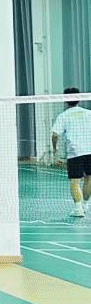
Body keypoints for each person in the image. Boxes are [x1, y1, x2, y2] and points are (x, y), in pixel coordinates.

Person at [50, 88, 91, 218]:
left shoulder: (63, 116)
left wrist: (55, 148)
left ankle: (78, 209)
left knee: (75, 181)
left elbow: (55, 134)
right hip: (90, 151)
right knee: (89, 178)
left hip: (75, 153)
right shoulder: (89, 113)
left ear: (65, 100)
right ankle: (85, 205)